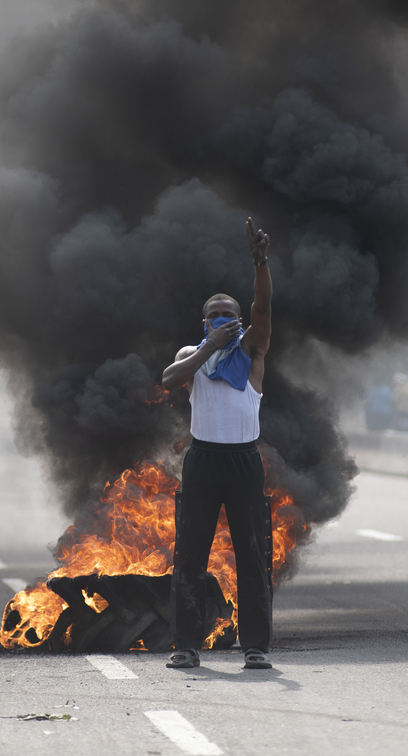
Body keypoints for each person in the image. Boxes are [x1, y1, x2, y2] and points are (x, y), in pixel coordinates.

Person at [161, 218, 273, 670]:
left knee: (252, 556)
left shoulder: (252, 353)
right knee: (190, 556)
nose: (222, 319)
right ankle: (187, 646)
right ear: (204, 322)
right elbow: (168, 380)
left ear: (240, 320)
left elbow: (264, 306)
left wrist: (260, 263)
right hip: (203, 461)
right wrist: (208, 347)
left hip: (243, 462)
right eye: (214, 315)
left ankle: (256, 648)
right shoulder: (192, 356)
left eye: (229, 314)